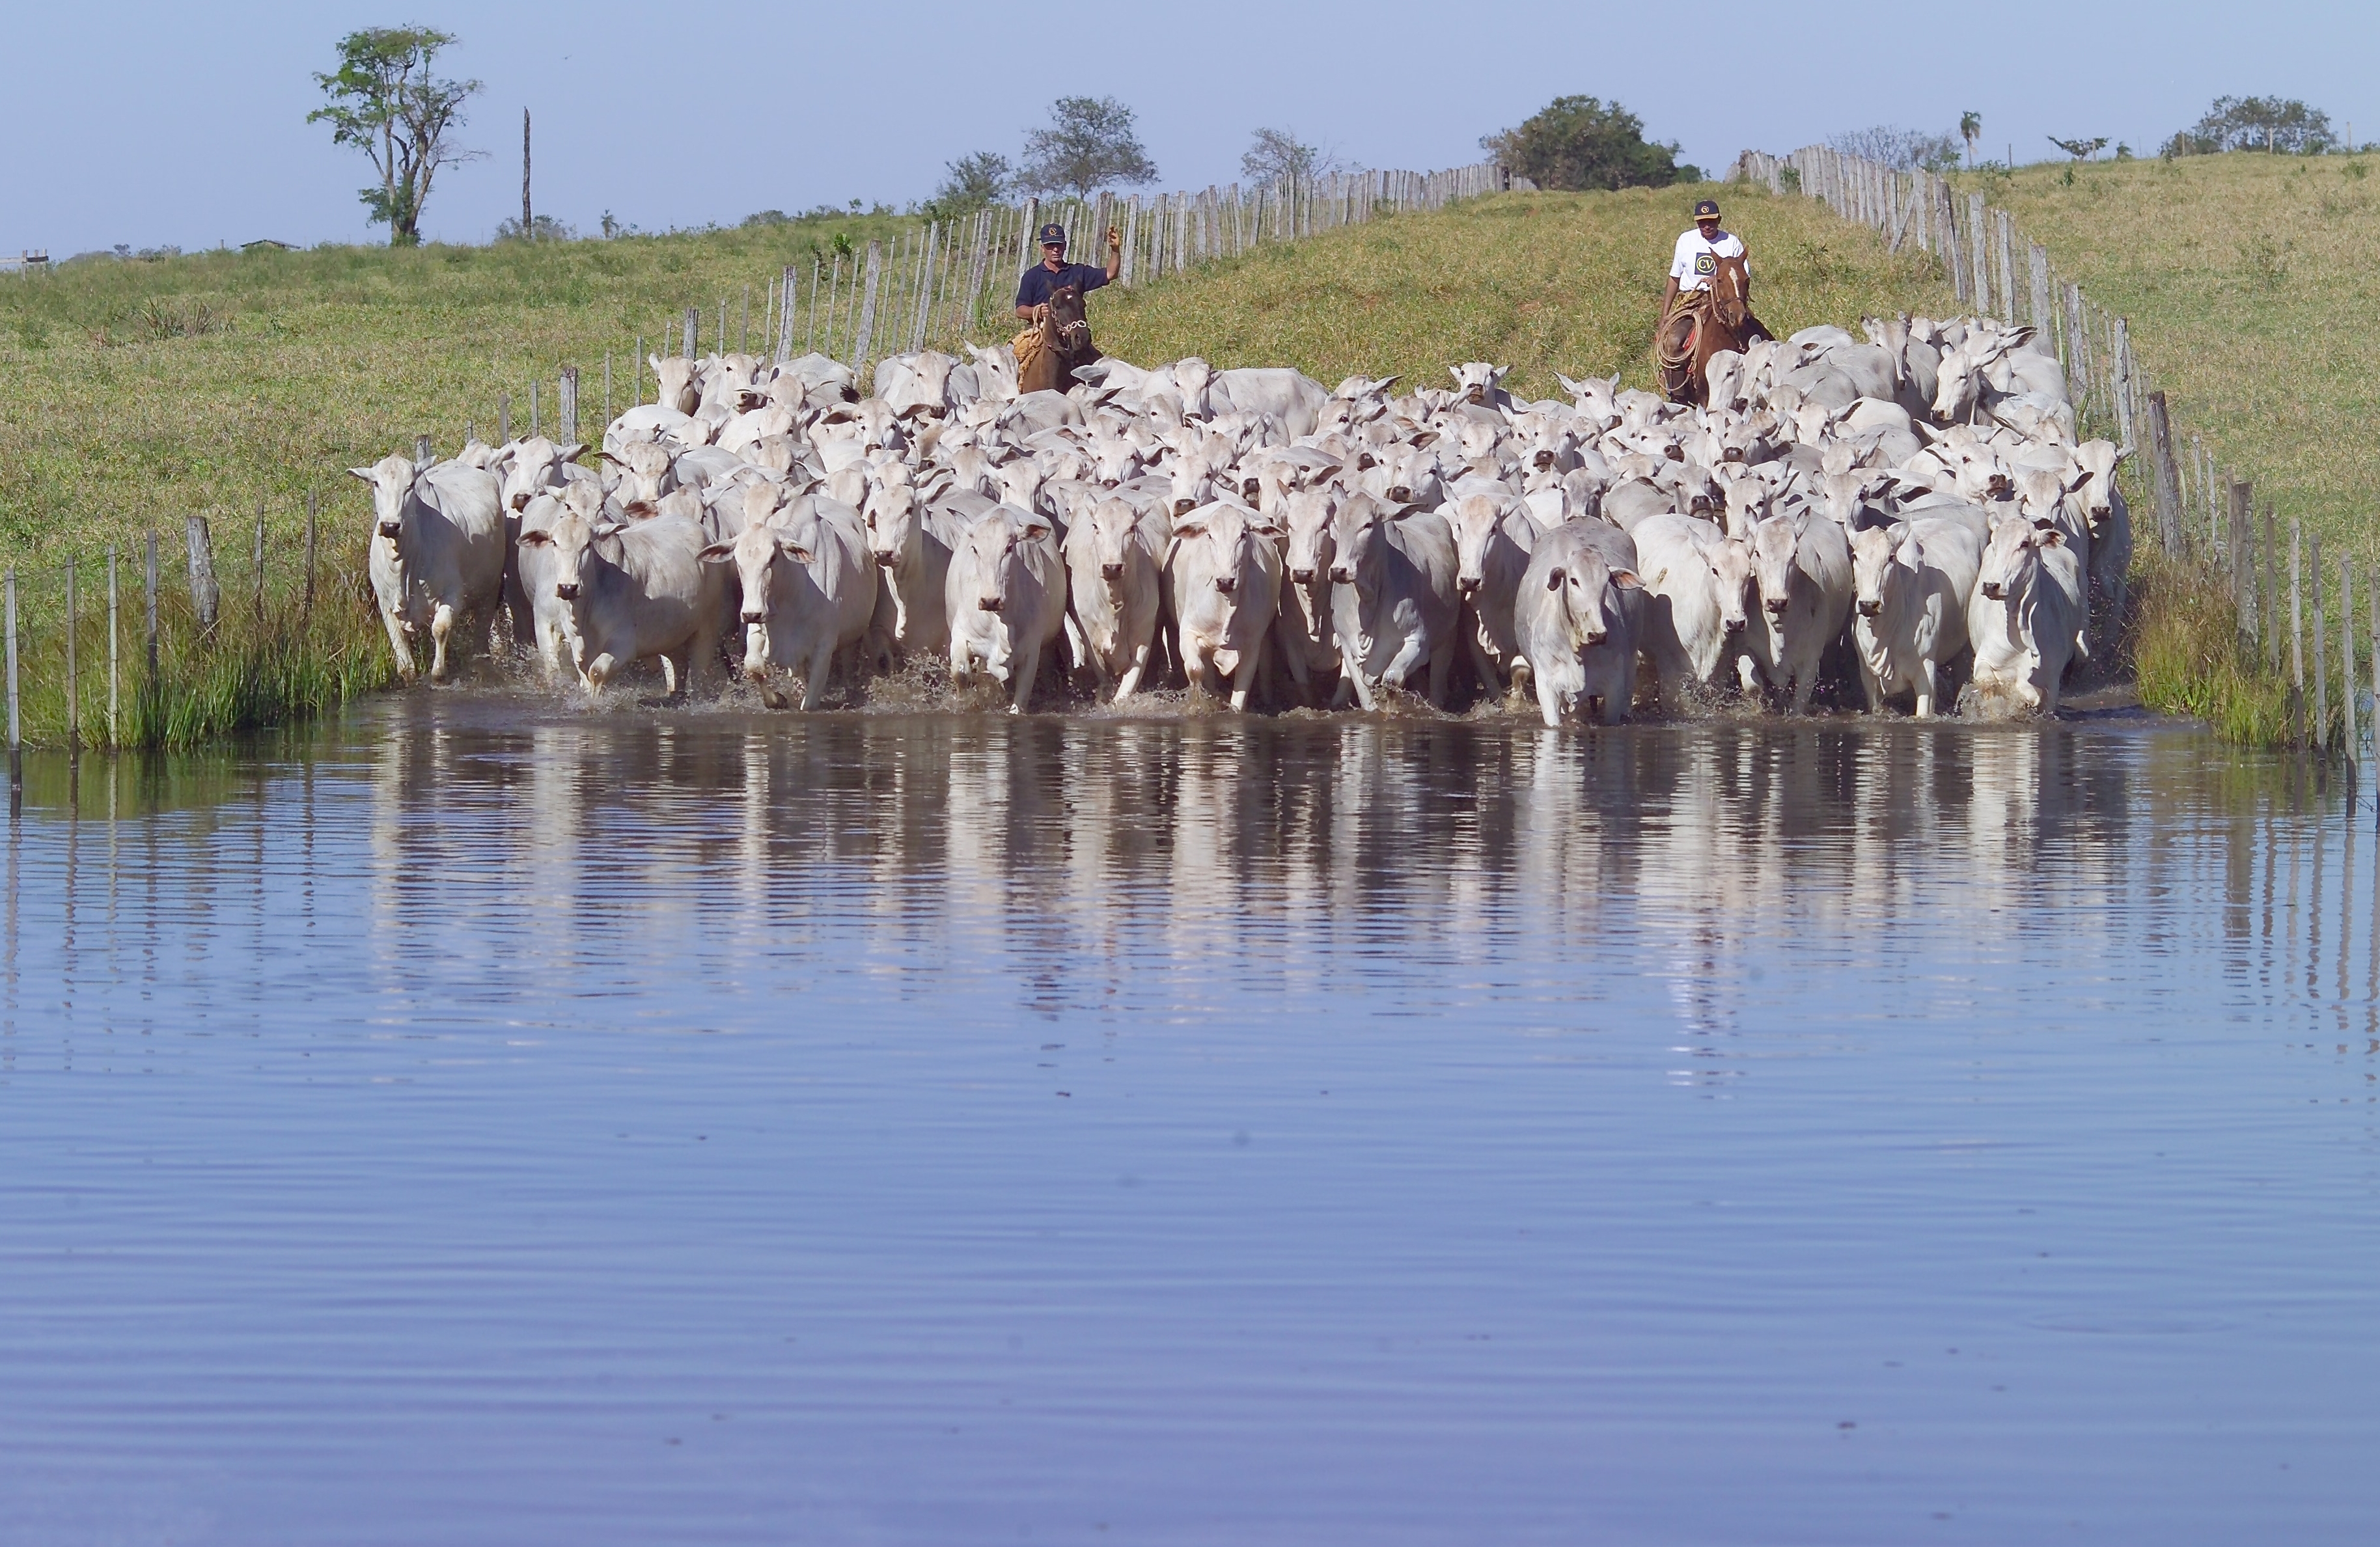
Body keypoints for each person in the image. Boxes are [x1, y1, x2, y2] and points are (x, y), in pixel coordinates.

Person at [1656, 197, 1769, 399]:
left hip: (1727, 298)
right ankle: (1679, 396)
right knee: (1674, 341)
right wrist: (1665, 314)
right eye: (1702, 222)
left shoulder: (1731, 242)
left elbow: (1742, 277)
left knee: (1764, 338)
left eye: (1711, 221)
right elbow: (1675, 277)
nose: (1706, 226)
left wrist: (1719, 280)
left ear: (1719, 220)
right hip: (1694, 299)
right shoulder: (1686, 241)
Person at [1016, 221, 1124, 322]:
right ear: (1042, 248)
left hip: (1074, 334)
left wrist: (1115, 249)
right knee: (1019, 343)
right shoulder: (1032, 276)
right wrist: (1037, 311)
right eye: (1050, 245)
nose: (1055, 249)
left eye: (1059, 244)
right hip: (1039, 331)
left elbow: (1110, 274)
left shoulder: (1078, 272)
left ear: (1065, 246)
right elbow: (1020, 311)